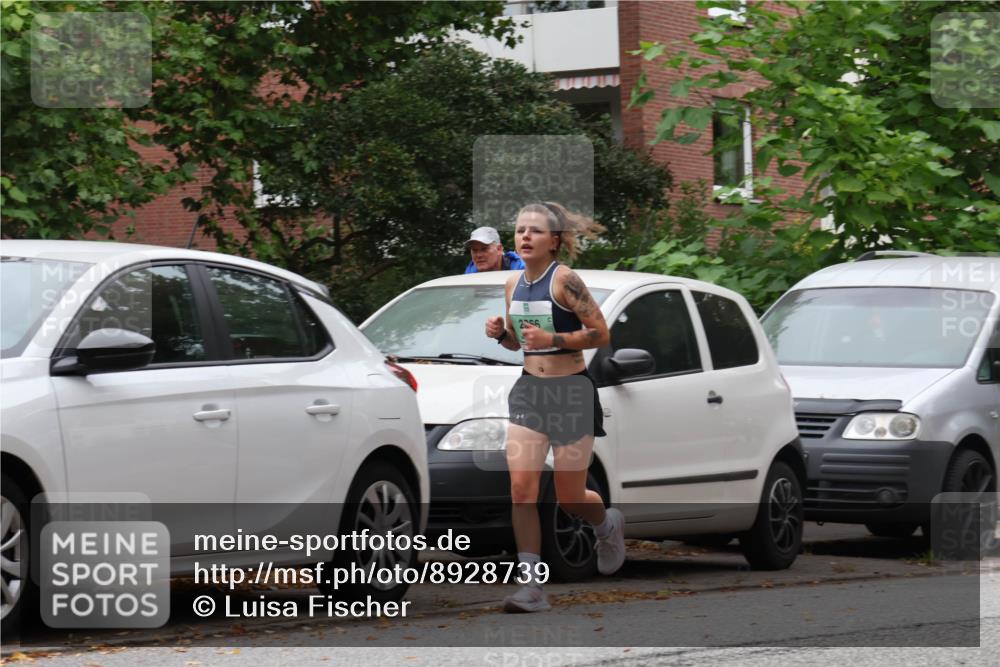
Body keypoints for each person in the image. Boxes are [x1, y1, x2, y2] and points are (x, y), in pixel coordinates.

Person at [484, 202, 626, 613]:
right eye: (520, 230)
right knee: (521, 491)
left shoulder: (566, 281)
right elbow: (519, 342)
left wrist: (556, 342)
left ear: (554, 241)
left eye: (535, 231)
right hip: (530, 389)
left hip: (571, 391)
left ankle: (606, 524)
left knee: (569, 497)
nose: (525, 237)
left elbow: (600, 333)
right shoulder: (512, 284)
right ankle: (531, 587)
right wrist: (500, 335)